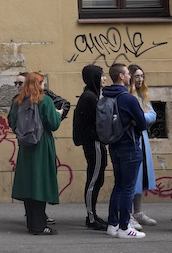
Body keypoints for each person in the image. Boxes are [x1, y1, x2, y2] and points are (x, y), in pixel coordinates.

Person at [10, 72, 61, 236]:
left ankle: (31, 223)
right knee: (41, 183)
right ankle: (39, 225)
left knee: (29, 184)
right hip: (42, 144)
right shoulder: (45, 100)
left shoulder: (17, 101)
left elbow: (12, 122)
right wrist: (58, 114)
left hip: (25, 146)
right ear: (39, 84)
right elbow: (53, 123)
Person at [102, 63, 147, 239]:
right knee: (128, 188)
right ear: (121, 76)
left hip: (114, 146)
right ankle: (124, 227)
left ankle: (112, 224)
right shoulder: (128, 98)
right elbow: (142, 123)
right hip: (129, 145)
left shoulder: (105, 96)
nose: (129, 76)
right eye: (128, 74)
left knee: (119, 186)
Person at [72, 64, 108, 230]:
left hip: (95, 142)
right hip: (94, 143)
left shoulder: (91, 95)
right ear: (94, 77)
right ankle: (91, 217)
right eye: (101, 75)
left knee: (97, 178)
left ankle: (92, 215)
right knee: (94, 180)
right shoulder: (90, 97)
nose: (104, 78)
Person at [127, 64, 157, 228]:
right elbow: (141, 117)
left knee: (141, 175)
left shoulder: (142, 94)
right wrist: (143, 116)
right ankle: (129, 214)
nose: (140, 79)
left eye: (142, 76)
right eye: (137, 76)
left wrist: (142, 116)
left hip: (142, 137)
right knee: (133, 177)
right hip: (133, 137)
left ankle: (138, 211)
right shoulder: (128, 95)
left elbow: (153, 115)